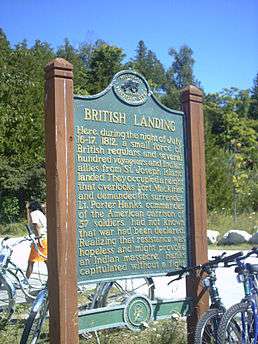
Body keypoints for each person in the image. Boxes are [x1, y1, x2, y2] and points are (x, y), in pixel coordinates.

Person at [25, 200, 48, 283]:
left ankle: (25, 280)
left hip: (40, 240)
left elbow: (36, 225)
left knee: (31, 261)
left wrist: (38, 239)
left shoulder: (34, 213)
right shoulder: (40, 213)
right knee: (46, 260)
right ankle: (51, 278)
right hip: (45, 239)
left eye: (29, 208)